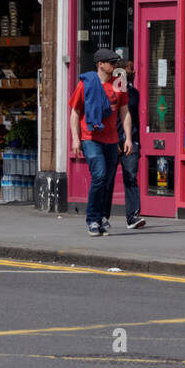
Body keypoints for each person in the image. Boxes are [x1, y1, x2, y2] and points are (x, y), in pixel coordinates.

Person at [70, 48, 133, 236]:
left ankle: (100, 218)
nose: (115, 66)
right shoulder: (86, 84)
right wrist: (75, 139)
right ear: (100, 64)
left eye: (115, 63)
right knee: (99, 176)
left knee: (107, 180)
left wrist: (128, 137)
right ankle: (92, 220)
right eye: (111, 63)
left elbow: (125, 111)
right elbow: (75, 112)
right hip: (91, 137)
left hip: (112, 139)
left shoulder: (119, 83)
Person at [104, 60, 145, 230]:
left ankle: (133, 216)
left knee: (130, 177)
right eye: (130, 68)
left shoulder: (134, 93)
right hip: (112, 139)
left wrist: (135, 141)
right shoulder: (111, 92)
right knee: (108, 178)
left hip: (130, 139)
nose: (133, 71)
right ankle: (103, 216)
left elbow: (135, 118)